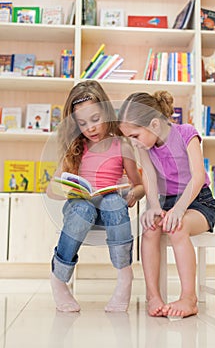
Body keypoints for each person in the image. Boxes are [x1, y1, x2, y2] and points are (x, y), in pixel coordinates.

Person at [118, 90, 215, 318]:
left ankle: (189, 298)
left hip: (198, 202)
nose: (133, 143)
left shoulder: (187, 134)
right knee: (150, 228)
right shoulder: (144, 147)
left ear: (154, 125)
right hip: (167, 201)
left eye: (135, 135)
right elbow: (150, 178)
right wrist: (153, 205)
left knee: (178, 226)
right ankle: (152, 295)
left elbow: (197, 177)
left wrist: (180, 209)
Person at [47, 80, 144, 313]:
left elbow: (139, 185)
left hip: (111, 213)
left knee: (112, 201)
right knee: (83, 208)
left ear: (106, 113)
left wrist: (133, 193)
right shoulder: (75, 147)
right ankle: (59, 279)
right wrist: (69, 190)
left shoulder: (122, 145)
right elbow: (52, 189)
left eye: (95, 119)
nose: (90, 128)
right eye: (82, 123)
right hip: (81, 211)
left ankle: (124, 277)